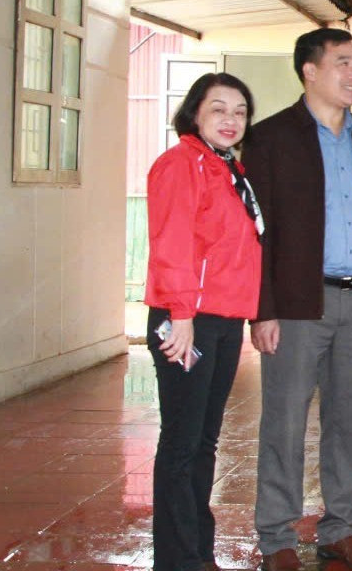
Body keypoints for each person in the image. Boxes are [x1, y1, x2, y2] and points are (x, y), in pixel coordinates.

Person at [243, 29, 352, 571]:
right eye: (342, 63)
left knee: (349, 422)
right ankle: (277, 537)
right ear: (309, 71)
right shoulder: (271, 138)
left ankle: (339, 528)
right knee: (285, 423)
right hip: (295, 305)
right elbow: (256, 233)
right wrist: (261, 309)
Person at [145, 72, 262, 571]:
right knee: (182, 443)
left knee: (203, 441)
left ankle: (197, 551)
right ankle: (177, 558)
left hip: (222, 319)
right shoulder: (180, 165)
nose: (230, 119)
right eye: (218, 109)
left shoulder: (227, 167)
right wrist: (181, 316)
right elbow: (172, 245)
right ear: (195, 113)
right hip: (187, 320)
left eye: (239, 110)